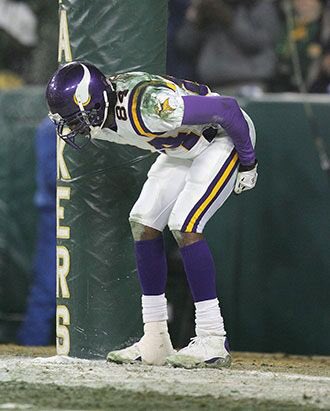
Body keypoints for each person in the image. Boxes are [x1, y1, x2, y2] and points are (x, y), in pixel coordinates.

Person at [46, 61, 257, 368]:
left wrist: (249, 162)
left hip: (222, 138)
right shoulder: (100, 109)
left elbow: (227, 109)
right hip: (181, 149)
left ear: (93, 103)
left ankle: (213, 337)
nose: (75, 127)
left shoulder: (148, 106)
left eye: (77, 119)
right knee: (143, 222)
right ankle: (155, 338)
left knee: (185, 224)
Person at [176, 0, 280, 96]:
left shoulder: (258, 4)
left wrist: (229, 20)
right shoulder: (205, 5)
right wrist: (197, 22)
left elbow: (261, 43)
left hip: (249, 85)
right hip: (211, 87)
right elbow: (185, 45)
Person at [17, 117, 56, 346]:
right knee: (46, 288)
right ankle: (30, 346)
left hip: (79, 218)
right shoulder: (50, 128)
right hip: (54, 216)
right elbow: (53, 177)